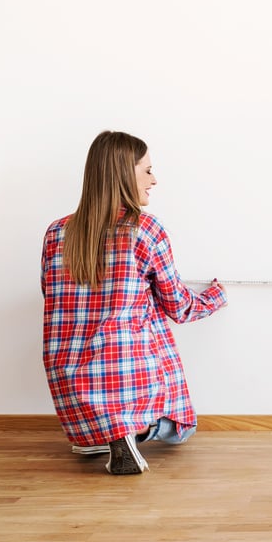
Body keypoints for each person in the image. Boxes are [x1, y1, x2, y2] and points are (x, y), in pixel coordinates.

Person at [41, 130, 227, 475]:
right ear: (124, 174)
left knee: (95, 413)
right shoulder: (144, 229)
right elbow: (179, 307)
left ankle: (99, 433)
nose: (154, 180)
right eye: (147, 170)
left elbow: (50, 298)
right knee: (181, 429)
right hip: (126, 373)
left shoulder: (56, 233)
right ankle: (133, 430)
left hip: (70, 381)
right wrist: (216, 296)